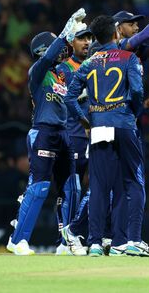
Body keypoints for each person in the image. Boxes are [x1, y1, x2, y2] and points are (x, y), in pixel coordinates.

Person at [65, 15, 149, 257]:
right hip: (123, 123)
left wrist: (86, 121)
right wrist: (135, 112)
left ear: (95, 38)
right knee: (132, 182)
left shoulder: (89, 63)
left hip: (98, 126)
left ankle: (94, 243)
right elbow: (136, 90)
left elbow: (70, 97)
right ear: (116, 34)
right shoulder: (129, 58)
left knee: (99, 186)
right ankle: (127, 241)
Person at [7, 9, 86, 255]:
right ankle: (18, 240)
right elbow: (47, 58)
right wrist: (64, 34)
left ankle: (65, 242)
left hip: (63, 133)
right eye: (54, 46)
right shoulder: (38, 72)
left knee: (71, 188)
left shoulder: (60, 75)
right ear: (44, 49)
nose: (61, 50)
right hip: (43, 132)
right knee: (40, 187)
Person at [55, 26, 93, 255]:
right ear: (71, 41)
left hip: (95, 134)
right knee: (70, 189)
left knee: (94, 188)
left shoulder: (95, 65)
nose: (87, 42)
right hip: (72, 134)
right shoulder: (63, 69)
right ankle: (63, 241)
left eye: (89, 37)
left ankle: (80, 236)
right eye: (81, 38)